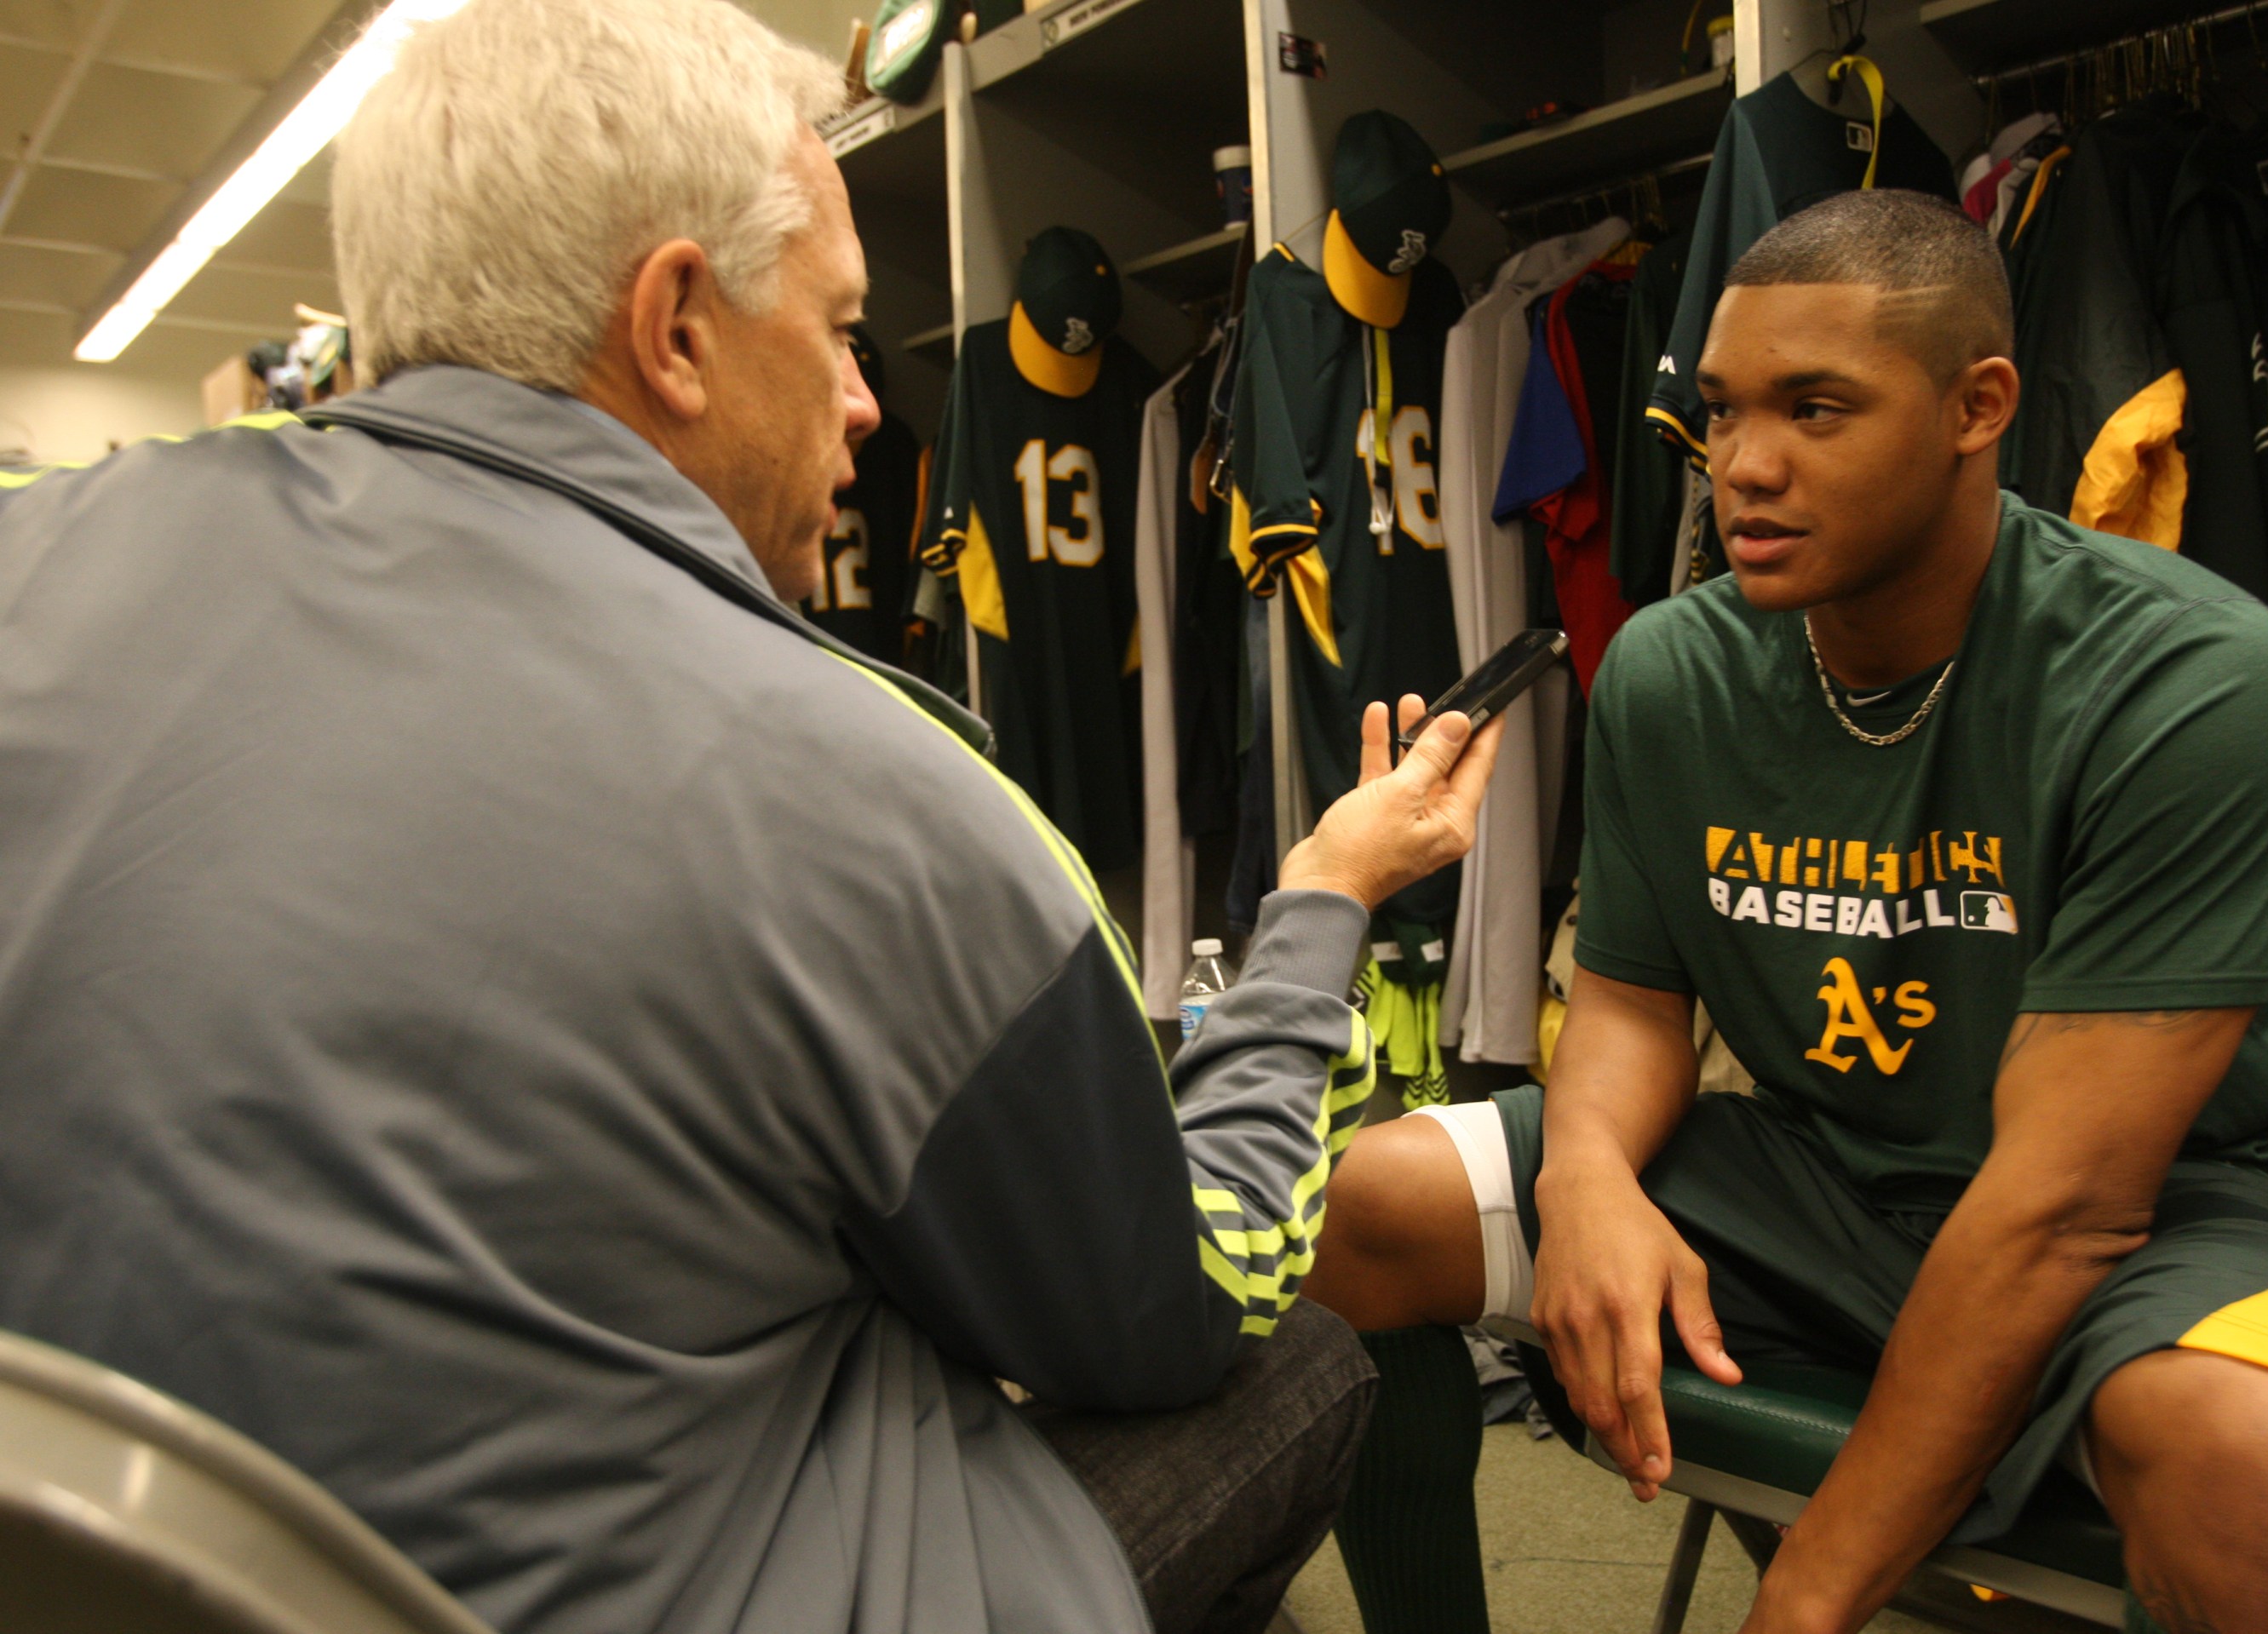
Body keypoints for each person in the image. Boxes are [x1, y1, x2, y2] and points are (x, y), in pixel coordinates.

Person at [0, 2, 1501, 1631]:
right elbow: (1187, 1291)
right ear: (677, 328)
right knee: (1296, 1352)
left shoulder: (38, 561)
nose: (868, 401)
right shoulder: (865, 782)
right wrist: (1323, 907)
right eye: (847, 332)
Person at [1306, 189, 2268, 1634]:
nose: (1741, 468)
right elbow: (1637, 1001)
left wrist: (1807, 1604)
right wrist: (1585, 1187)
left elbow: (2066, 1207)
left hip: (2148, 1216)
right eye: (1720, 410)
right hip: (1817, 1176)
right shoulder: (1668, 670)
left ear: (1979, 405)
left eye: (1815, 410)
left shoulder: (2188, 672)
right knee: (1341, 1215)